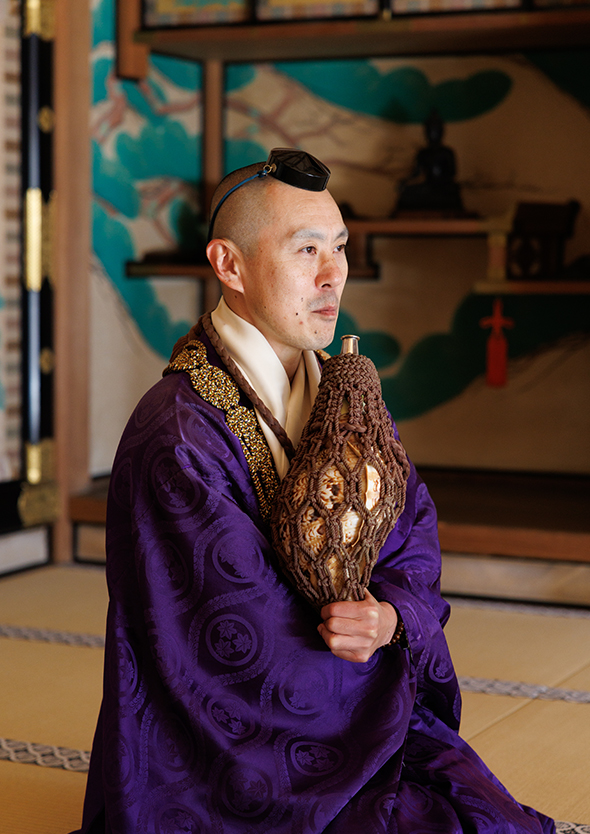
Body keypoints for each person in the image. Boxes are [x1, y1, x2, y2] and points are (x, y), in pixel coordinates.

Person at [73, 149, 555, 834]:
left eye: (340, 247)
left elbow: (410, 526)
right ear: (229, 265)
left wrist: (390, 617)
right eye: (306, 250)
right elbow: (231, 648)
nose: (334, 275)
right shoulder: (179, 435)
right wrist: (362, 646)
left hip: (360, 706)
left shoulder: (341, 390)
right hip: (232, 758)